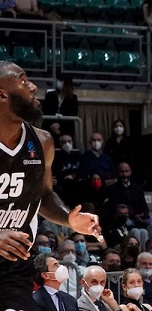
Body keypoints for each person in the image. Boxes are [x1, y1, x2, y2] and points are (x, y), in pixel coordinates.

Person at [0, 63, 105, 308]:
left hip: (15, 265)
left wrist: (69, 219)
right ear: (2, 94)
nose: (34, 87)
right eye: (23, 81)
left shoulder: (43, 141)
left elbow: (44, 196)